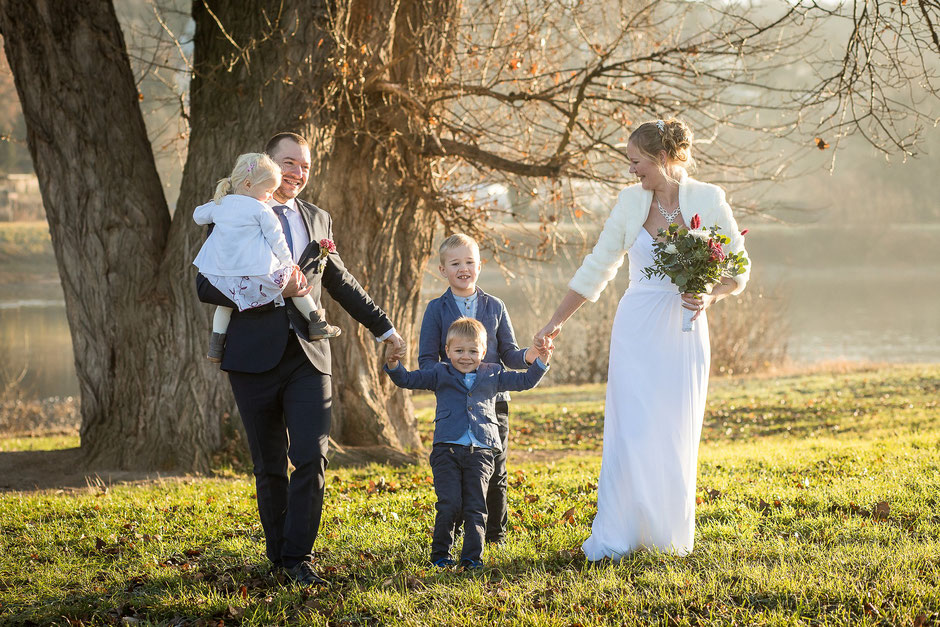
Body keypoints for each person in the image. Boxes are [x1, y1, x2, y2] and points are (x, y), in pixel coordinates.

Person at [196, 132, 406, 585]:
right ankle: (278, 556)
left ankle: (297, 559)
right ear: (265, 165)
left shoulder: (318, 219)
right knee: (268, 463)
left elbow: (341, 281)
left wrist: (385, 329)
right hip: (251, 356)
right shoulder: (234, 211)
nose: (297, 172)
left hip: (310, 356)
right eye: (289, 162)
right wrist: (273, 288)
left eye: (305, 166)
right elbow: (205, 286)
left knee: (311, 455)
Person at [534, 118, 750, 560]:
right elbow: (599, 263)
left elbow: (739, 269)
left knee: (673, 429)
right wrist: (556, 321)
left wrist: (709, 292)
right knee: (631, 428)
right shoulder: (630, 203)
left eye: (637, 162)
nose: (632, 170)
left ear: (664, 159)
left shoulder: (708, 199)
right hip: (637, 327)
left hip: (685, 331)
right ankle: (618, 534)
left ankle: (665, 536)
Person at [386, 318, 551, 569]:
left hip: (482, 451)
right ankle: (441, 555)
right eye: (459, 351)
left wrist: (542, 361)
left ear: (483, 352)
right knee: (449, 503)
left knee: (476, 505)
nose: (466, 357)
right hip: (446, 450)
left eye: (473, 351)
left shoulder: (493, 373)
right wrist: (393, 364)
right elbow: (408, 380)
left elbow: (525, 381)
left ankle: (472, 558)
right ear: (448, 350)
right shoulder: (440, 373)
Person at [418, 233, 539, 544]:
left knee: (495, 470)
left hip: (494, 400)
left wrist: (530, 356)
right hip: (455, 403)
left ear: (480, 266)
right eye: (455, 263)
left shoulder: (495, 306)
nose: (463, 269)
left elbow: (509, 352)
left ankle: (495, 534)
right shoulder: (436, 309)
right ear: (443, 269)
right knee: (458, 472)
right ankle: (455, 532)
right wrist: (445, 377)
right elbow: (427, 359)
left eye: (469, 262)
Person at [192, 152, 341, 363]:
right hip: (254, 269)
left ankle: (216, 346)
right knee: (295, 285)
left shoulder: (221, 204)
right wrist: (289, 265)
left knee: (226, 304)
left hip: (223, 270)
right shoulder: (260, 209)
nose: (270, 196)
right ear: (248, 184)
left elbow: (198, 216)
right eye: (268, 191)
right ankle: (317, 323)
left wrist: (217, 203)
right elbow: (277, 240)